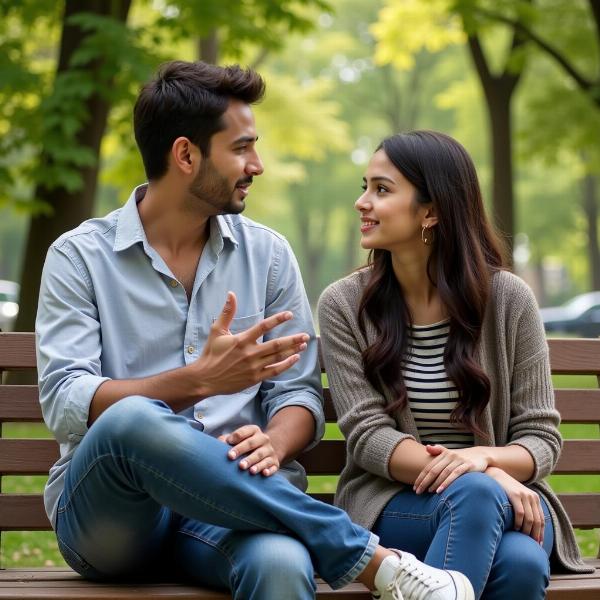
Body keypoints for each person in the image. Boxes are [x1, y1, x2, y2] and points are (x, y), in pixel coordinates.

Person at [36, 63, 474, 600]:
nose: (257, 165)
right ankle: (372, 561)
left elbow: (297, 395)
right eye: (241, 149)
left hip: (234, 511)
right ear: (186, 155)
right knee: (132, 420)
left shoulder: (267, 255)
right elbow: (64, 400)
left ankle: (354, 557)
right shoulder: (79, 257)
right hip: (113, 520)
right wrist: (196, 381)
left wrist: (272, 440)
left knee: (282, 562)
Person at [317, 130, 593, 600]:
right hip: (396, 504)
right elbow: (368, 437)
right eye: (364, 186)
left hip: (509, 503)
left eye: (382, 190)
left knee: (518, 552)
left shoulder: (508, 300)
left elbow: (541, 438)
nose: (362, 202)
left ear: (432, 210)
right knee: (516, 556)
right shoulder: (344, 305)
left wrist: (482, 459)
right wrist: (482, 474)